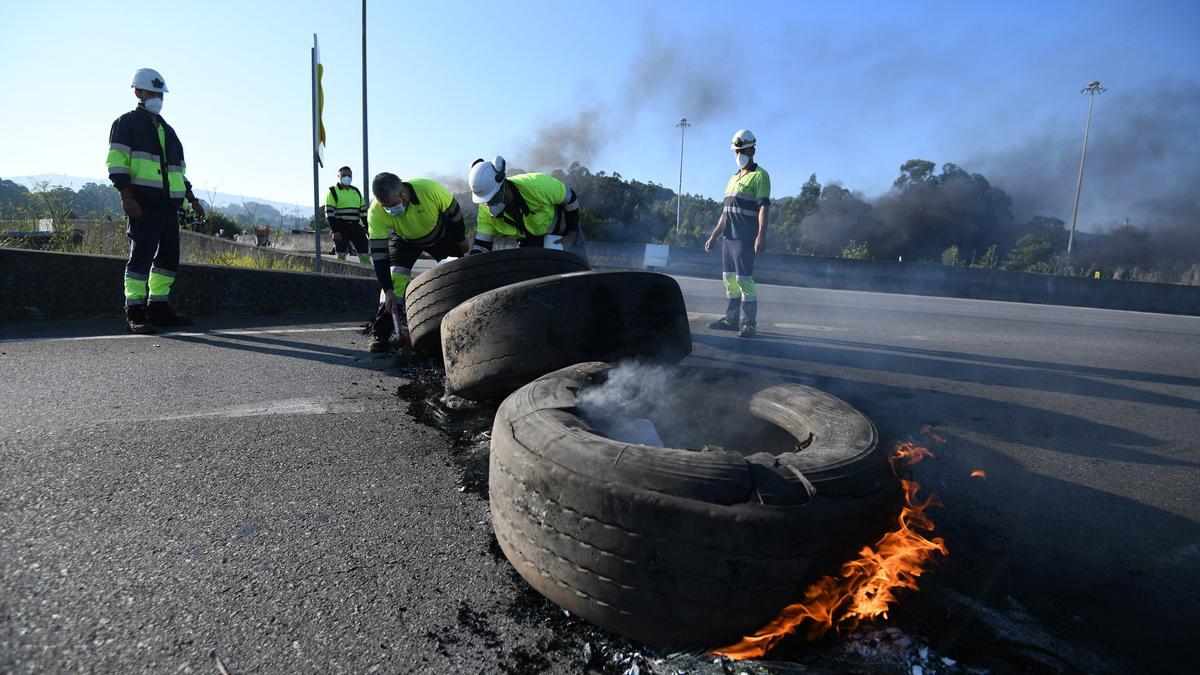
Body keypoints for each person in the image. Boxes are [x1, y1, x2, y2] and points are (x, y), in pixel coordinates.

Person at [107, 68, 204, 334]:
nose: (157, 97)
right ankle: (135, 312)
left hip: (168, 207)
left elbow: (178, 172)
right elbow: (116, 164)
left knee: (168, 260)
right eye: (152, 92)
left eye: (160, 93)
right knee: (140, 259)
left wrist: (192, 199)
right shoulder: (125, 124)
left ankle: (159, 309)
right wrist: (126, 196)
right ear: (137, 92)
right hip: (142, 203)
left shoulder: (169, 131)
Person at [365, 173, 469, 353]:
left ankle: (464, 326)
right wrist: (388, 289)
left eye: (392, 205)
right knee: (395, 278)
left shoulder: (430, 189)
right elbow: (379, 255)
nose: (389, 210)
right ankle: (380, 332)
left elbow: (455, 214)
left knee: (457, 274)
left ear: (403, 195)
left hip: (439, 235)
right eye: (385, 207)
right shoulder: (376, 211)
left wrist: (460, 240)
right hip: (405, 240)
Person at [704, 129, 771, 338]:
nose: (738, 154)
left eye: (742, 150)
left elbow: (764, 208)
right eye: (736, 150)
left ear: (752, 150)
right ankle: (731, 319)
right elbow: (725, 212)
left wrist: (761, 234)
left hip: (745, 237)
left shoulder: (760, 175)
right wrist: (714, 235)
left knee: (744, 280)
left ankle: (748, 324)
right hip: (728, 237)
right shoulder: (733, 179)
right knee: (729, 280)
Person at [466, 156, 582, 254]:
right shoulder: (484, 211)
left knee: (578, 266)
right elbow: (482, 246)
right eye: (486, 201)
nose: (490, 204)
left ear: (503, 186)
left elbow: (571, 199)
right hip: (530, 239)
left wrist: (570, 235)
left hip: (564, 230)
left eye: (494, 198)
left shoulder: (538, 185)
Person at [324, 166, 370, 265]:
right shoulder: (333, 191)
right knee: (341, 255)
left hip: (356, 226)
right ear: (338, 176)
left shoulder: (356, 191)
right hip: (341, 227)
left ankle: (369, 277)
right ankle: (339, 277)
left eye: (349, 175)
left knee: (364, 254)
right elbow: (329, 214)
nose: (347, 177)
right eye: (344, 175)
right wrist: (335, 231)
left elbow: (363, 213)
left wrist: (367, 228)